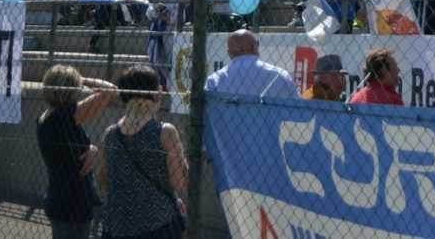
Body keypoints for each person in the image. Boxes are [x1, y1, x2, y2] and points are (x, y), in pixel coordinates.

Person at [98, 65, 187, 239]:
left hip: (116, 226)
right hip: (157, 224)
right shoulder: (165, 132)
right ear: (157, 93)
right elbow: (179, 182)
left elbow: (103, 180)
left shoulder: (110, 134)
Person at [36, 65, 116, 239]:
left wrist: (91, 149)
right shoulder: (67, 115)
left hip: (59, 197)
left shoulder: (47, 117)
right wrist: (83, 80)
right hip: (74, 202)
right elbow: (110, 90)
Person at [204, 30, 297, 97]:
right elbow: (300, 112)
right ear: (254, 47)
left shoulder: (215, 80)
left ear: (229, 53)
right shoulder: (279, 75)